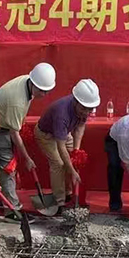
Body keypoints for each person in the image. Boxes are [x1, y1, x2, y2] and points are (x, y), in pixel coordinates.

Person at [0, 63, 56, 214]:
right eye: (41, 90)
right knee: (8, 168)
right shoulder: (17, 101)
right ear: (33, 84)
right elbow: (14, 133)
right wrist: (27, 158)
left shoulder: (28, 82)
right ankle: (12, 210)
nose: (44, 94)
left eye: (47, 91)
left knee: (6, 166)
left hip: (5, 124)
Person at [34, 79, 100, 207]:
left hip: (64, 133)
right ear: (75, 101)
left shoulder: (84, 105)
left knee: (73, 160)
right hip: (46, 134)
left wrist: (76, 152)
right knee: (58, 164)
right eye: (84, 109)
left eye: (90, 109)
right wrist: (72, 171)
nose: (86, 113)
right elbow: (61, 146)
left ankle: (69, 193)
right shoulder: (62, 114)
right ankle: (59, 201)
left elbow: (80, 127)